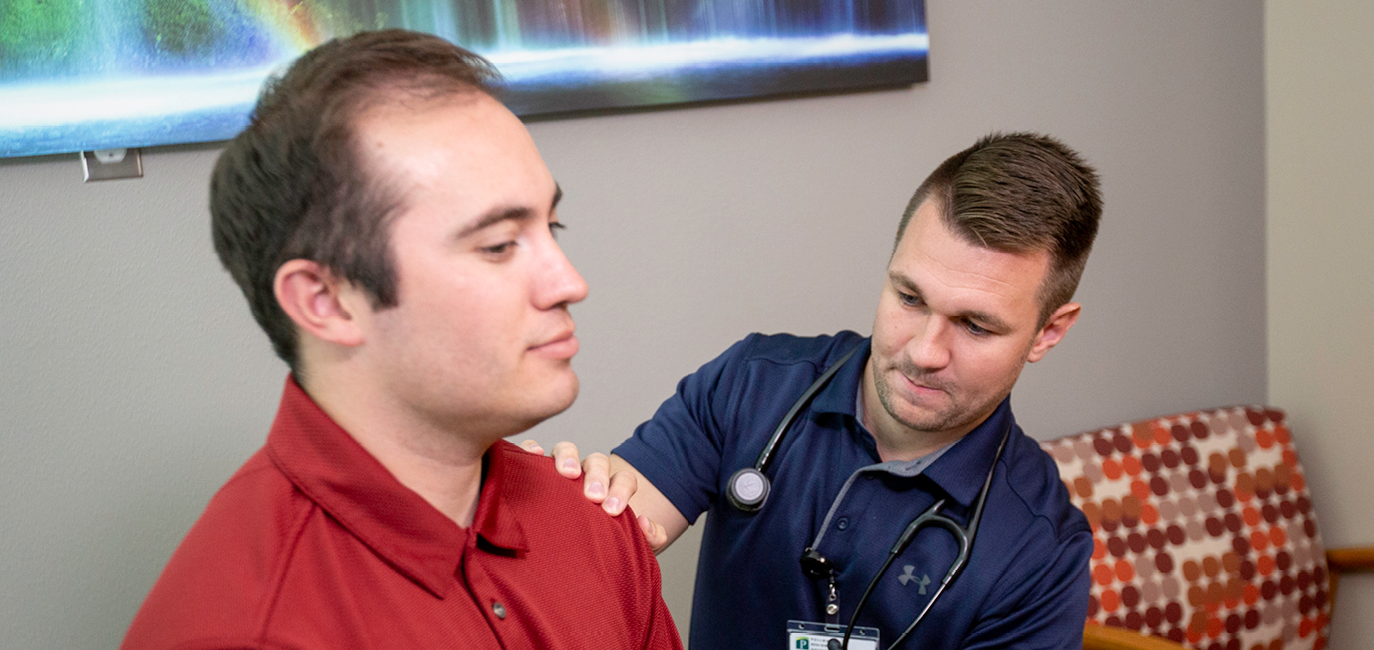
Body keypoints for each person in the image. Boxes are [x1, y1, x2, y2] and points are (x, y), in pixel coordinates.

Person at [121, 30, 678, 650]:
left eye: (553, 225)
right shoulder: (249, 629)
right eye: (498, 245)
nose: (570, 282)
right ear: (325, 301)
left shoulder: (594, 524)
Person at [539, 133, 1099, 649]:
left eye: (975, 326)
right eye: (909, 298)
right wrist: (532, 493)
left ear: (1048, 331)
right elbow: (606, 535)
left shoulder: (1040, 553)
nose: (925, 352)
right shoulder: (754, 384)